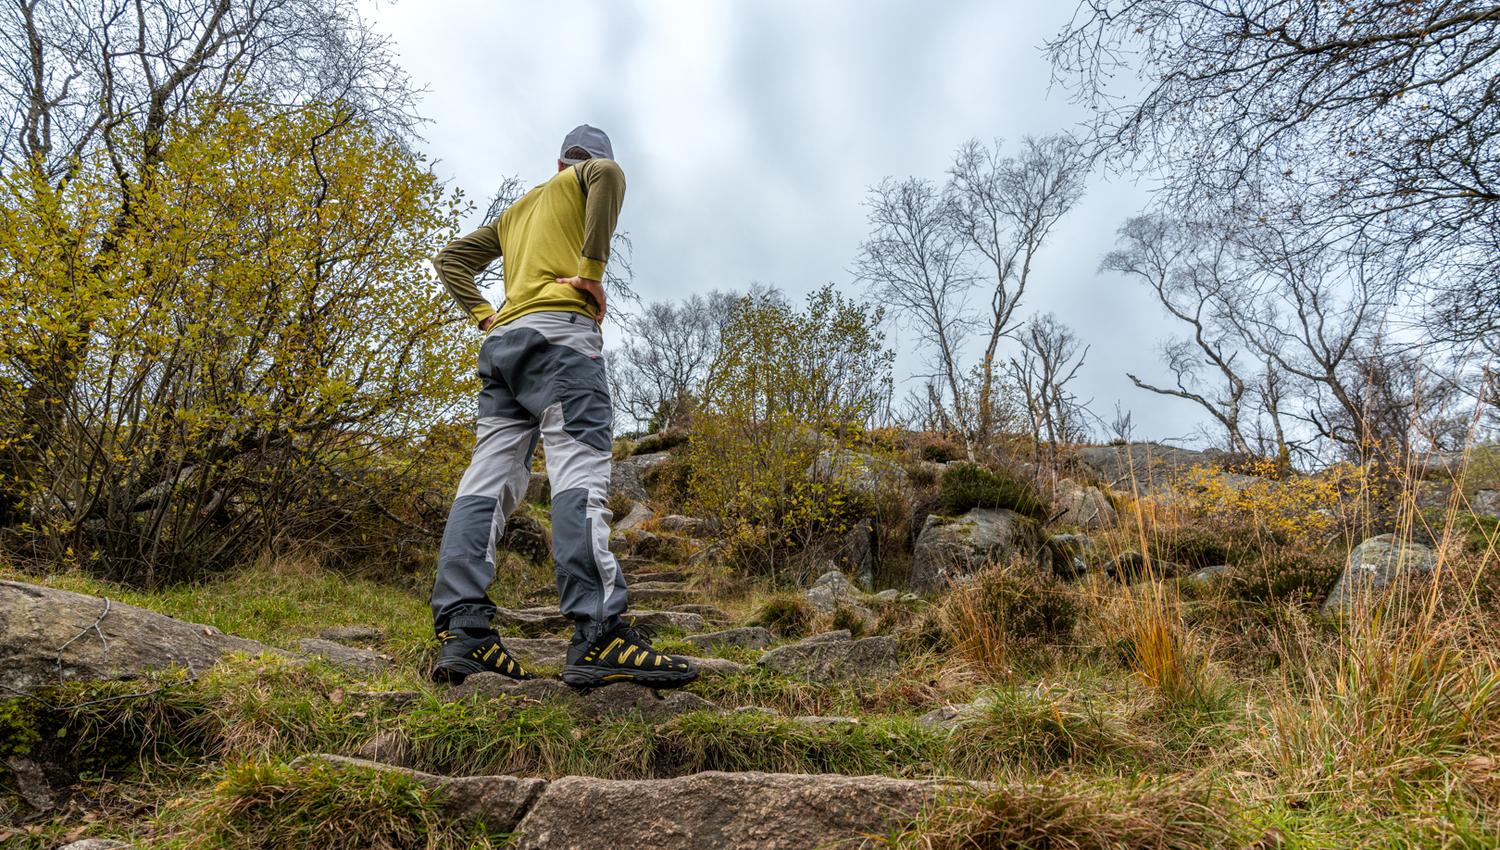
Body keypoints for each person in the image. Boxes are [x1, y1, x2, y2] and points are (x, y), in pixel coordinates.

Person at [427, 124, 698, 691]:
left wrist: (485, 314)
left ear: (557, 162)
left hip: (505, 346)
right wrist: (593, 276)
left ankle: (465, 633)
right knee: (580, 478)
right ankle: (599, 633)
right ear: (576, 167)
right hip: (560, 340)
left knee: (486, 482)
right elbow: (609, 175)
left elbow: (451, 257)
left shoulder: (516, 213)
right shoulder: (589, 176)